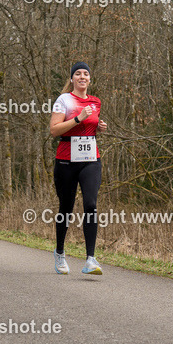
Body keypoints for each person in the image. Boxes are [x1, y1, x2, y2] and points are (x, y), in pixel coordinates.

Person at [49, 62, 107, 275]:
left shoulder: (95, 101)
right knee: (66, 207)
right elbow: (54, 130)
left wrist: (98, 127)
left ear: (90, 79)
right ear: (72, 78)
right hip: (66, 160)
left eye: (86, 74)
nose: (82, 77)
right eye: (78, 73)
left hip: (91, 159)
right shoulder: (63, 100)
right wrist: (77, 118)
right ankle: (60, 252)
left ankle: (90, 259)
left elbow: (89, 128)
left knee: (91, 204)